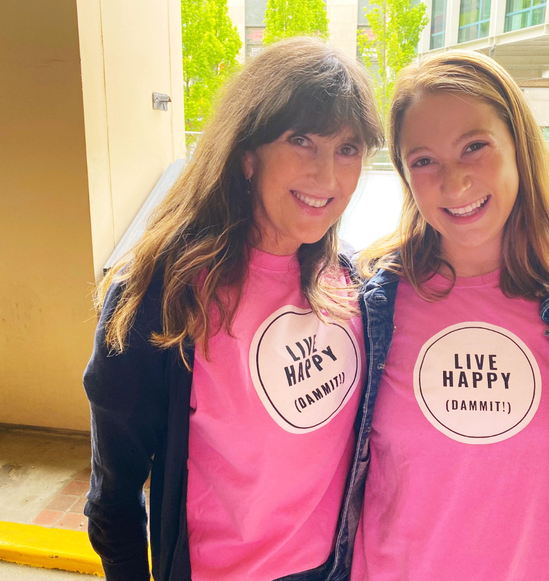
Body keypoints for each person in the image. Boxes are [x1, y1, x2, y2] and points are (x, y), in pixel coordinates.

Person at [83, 37, 383, 581]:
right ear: (247, 155)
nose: (328, 176)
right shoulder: (161, 295)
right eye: (301, 140)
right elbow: (114, 498)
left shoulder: (354, 286)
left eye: (348, 148)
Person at [344, 51, 549, 581]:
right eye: (424, 160)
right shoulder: (371, 297)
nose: (454, 181)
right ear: (404, 174)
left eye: (474, 147)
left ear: (519, 148)